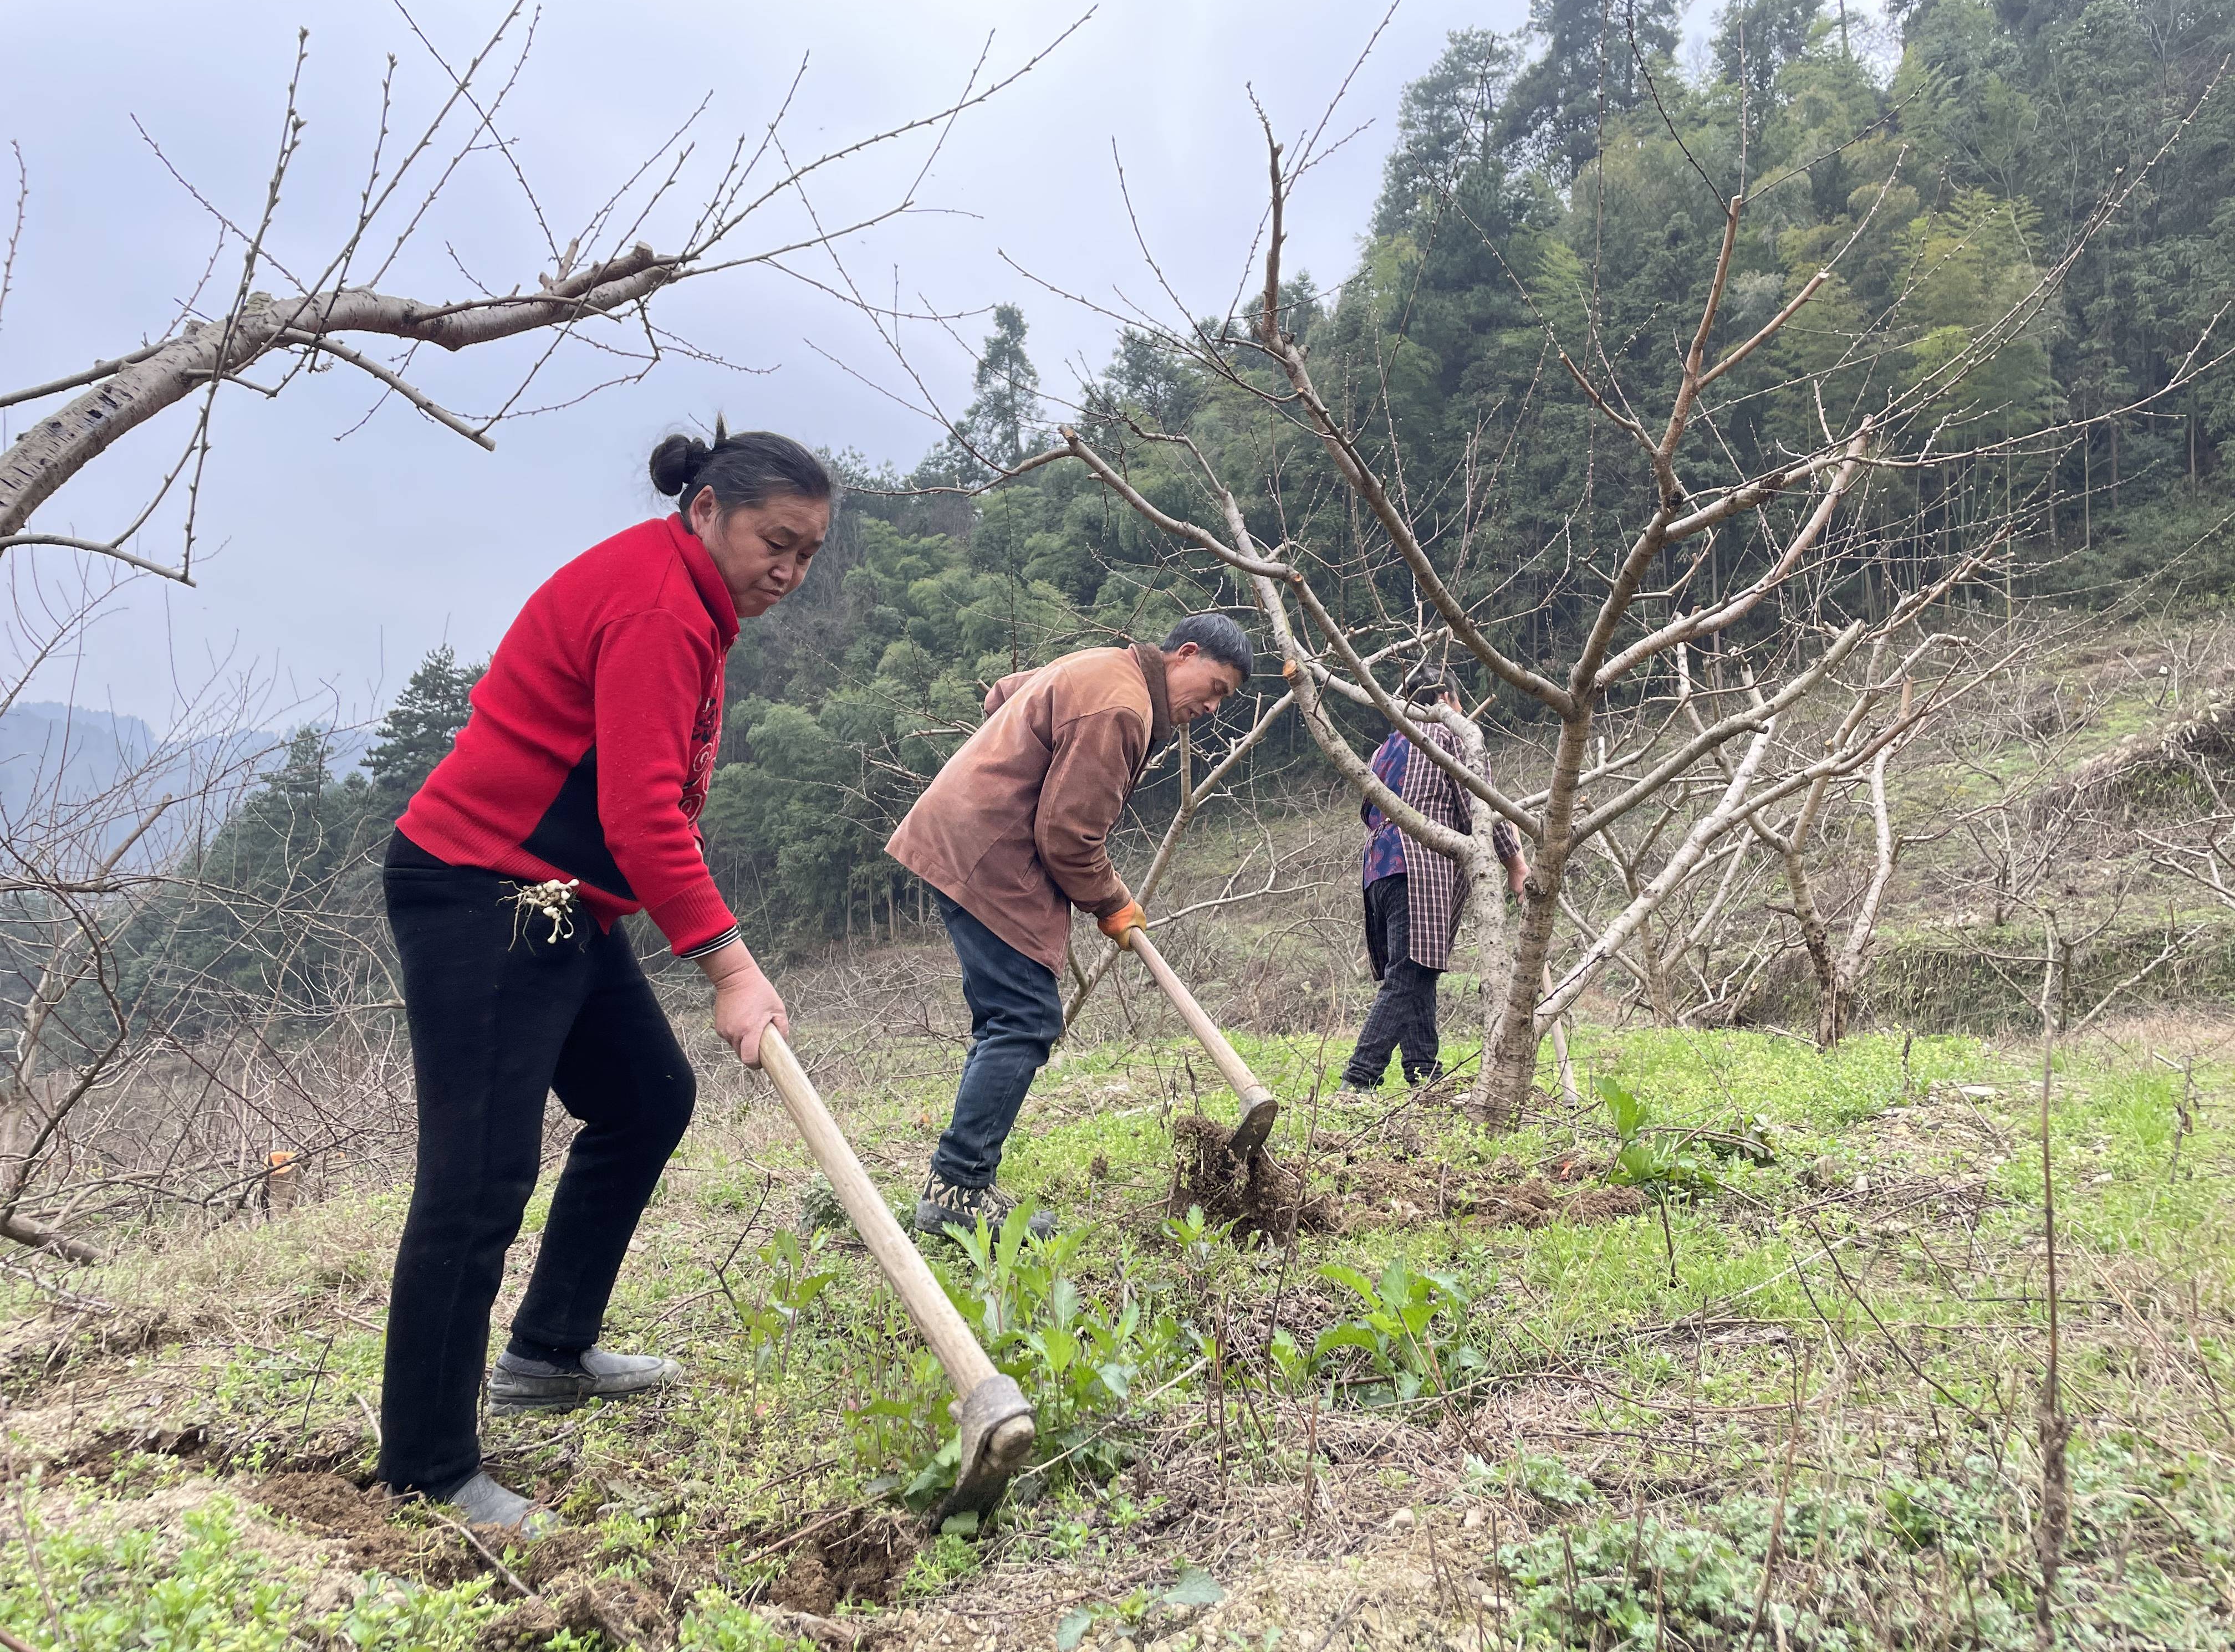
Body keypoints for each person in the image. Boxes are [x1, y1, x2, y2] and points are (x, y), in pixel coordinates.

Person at [377, 424, 826, 1532]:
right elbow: (639, 819)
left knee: (645, 1098)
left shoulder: (690, 600)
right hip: (482, 891)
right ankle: (427, 1469)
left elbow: (640, 813)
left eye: (810, 552)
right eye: (777, 541)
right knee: (479, 1178)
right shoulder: (658, 606)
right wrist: (731, 965)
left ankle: (547, 1352)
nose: (790, 570)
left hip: (562, 899)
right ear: (708, 510)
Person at [887, 613, 1253, 1235]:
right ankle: (959, 1188)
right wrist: (1113, 904)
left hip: (965, 838)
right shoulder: (1123, 707)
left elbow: (1002, 694)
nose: (1214, 709)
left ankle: (961, 1181)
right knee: (1025, 1019)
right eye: (1215, 688)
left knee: (1008, 1018)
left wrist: (1012, 763)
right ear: (1184, 654)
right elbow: (1068, 837)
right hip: (988, 853)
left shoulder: (1101, 667)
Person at [1340, 671, 1528, 1093]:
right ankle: (1358, 1079)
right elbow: (1479, 808)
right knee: (1410, 972)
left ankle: (1424, 1074)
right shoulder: (1450, 739)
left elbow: (1368, 813)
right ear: (1446, 699)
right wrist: (1515, 864)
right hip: (1418, 866)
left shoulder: (1384, 750)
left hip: (1378, 870)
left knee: (1417, 972)